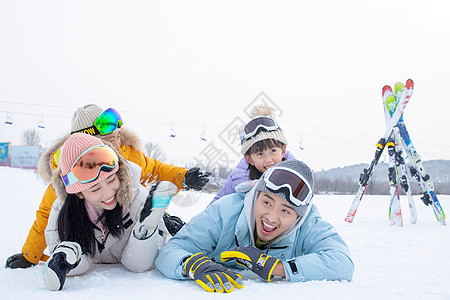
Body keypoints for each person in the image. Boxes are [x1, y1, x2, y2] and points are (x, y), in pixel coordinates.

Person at [6, 104, 210, 269]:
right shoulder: (72, 175)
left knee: (152, 222)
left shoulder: (126, 153)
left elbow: (155, 169)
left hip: (129, 229)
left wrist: (184, 177)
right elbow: (47, 213)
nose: (118, 144)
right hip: (94, 241)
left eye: (118, 136)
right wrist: (30, 254)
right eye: (110, 140)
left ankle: (162, 224)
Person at [155, 159, 354, 293]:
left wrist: (277, 268)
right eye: (266, 202)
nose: (271, 218)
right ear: (255, 196)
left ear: (298, 216)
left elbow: (342, 263)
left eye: (285, 211)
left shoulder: (309, 224)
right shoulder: (223, 212)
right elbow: (170, 252)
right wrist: (192, 265)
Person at [42, 133, 177, 291]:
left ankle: (145, 230)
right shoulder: (62, 209)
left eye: (112, 180)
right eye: (95, 188)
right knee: (79, 263)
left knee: (137, 264)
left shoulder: (139, 199)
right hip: (84, 255)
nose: (107, 193)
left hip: (132, 252)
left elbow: (147, 260)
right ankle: (69, 254)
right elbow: (53, 242)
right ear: (78, 193)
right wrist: (62, 256)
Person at [210, 105, 294, 204]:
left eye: (273, 151)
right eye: (259, 154)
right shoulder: (237, 179)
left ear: (283, 151)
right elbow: (216, 207)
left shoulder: (295, 176)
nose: (268, 160)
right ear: (249, 159)